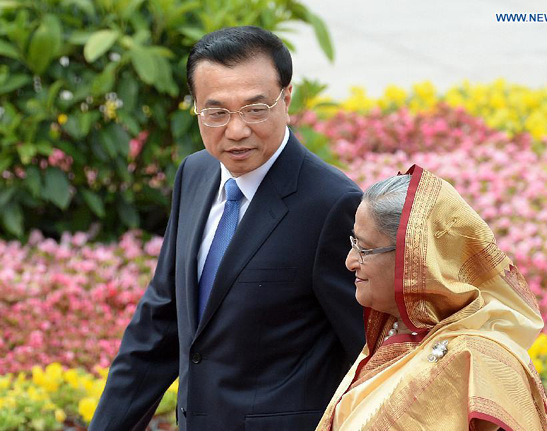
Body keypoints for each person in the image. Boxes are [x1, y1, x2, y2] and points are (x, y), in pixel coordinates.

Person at [89, 26, 364, 431]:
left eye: (255, 109)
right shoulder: (195, 174)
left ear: (286, 99)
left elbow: (368, 352)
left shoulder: (332, 204)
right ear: (196, 108)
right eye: (216, 113)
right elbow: (159, 325)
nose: (236, 130)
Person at [316, 165, 547, 431]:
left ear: (415, 259)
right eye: (353, 243)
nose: (349, 262)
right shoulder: (394, 332)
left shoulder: (476, 358)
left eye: (365, 249)